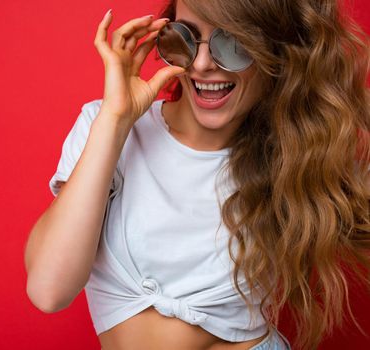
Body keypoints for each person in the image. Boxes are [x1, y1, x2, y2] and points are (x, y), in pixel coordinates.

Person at [24, 0, 370, 349]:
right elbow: (48, 291)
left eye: (232, 43)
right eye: (185, 38)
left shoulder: (298, 157)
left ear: (276, 53)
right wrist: (116, 120)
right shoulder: (106, 127)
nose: (202, 65)